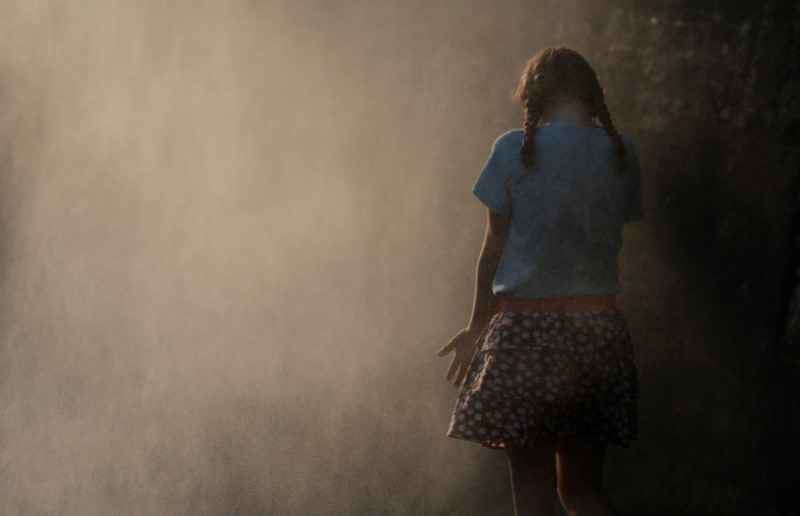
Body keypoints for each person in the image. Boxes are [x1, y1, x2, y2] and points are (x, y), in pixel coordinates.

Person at [437, 47, 642, 516]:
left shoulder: (511, 149)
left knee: (534, 493)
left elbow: (493, 251)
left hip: (526, 336)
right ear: (589, 93)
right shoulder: (619, 151)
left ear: (533, 96)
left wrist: (474, 331)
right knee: (582, 491)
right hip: (599, 333)